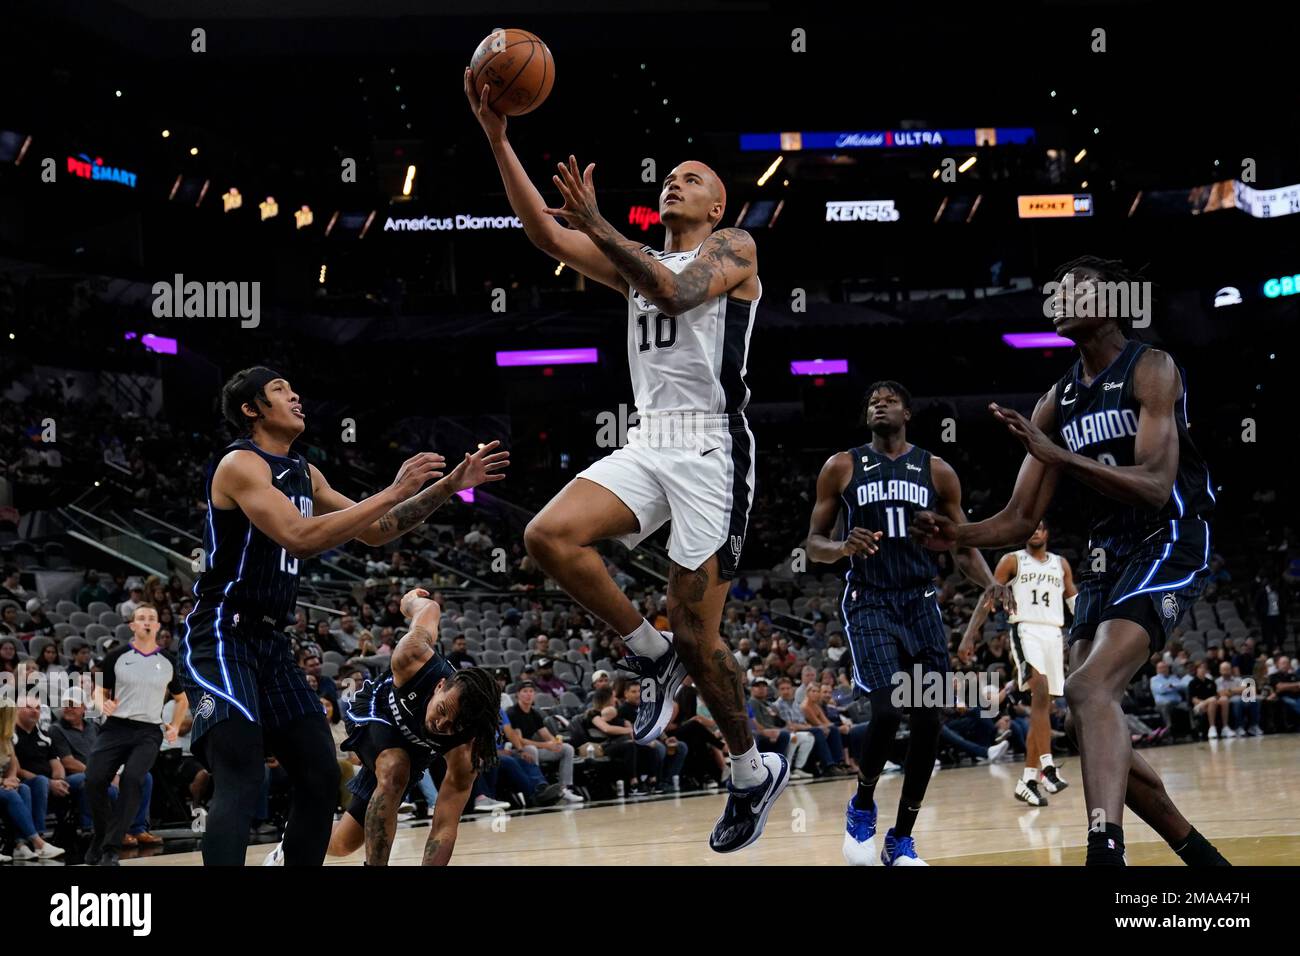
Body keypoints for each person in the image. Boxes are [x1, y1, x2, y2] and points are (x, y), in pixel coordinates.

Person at [468, 71, 786, 854]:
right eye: (670, 178)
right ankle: (650, 657)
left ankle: (750, 770)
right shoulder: (635, 256)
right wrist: (499, 137)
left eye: (693, 179)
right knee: (548, 536)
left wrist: (603, 225)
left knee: (700, 638)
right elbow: (546, 236)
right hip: (650, 437)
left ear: (717, 207)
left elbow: (676, 297)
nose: (675, 184)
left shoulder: (735, 248)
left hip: (715, 446)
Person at [911, 256, 1229, 866]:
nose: (1058, 299)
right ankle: (1200, 856)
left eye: (1074, 290)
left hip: (1170, 536)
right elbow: (1019, 519)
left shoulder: (1152, 368)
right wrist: (956, 532)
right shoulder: (1055, 400)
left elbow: (1157, 485)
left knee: (1088, 688)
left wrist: (1060, 455)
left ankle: (1104, 848)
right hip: (1109, 553)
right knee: (1088, 713)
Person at [180, 366, 507, 866]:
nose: (295, 397)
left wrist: (450, 486)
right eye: (280, 391)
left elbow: (377, 530)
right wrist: (393, 489)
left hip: (270, 642)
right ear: (251, 409)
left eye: (293, 389)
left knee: (317, 771)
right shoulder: (241, 465)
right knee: (243, 773)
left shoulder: (306, 473)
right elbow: (300, 536)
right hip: (222, 631)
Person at [806, 380, 1005, 866]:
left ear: (907, 413)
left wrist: (990, 584)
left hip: (919, 603)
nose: (879, 404)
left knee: (928, 719)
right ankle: (863, 803)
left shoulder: (937, 471)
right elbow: (813, 543)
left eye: (889, 399)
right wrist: (841, 547)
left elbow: (960, 544)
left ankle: (901, 839)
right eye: (872, 401)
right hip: (870, 601)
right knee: (890, 710)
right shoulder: (841, 466)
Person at [308, 589, 499, 866]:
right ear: (440, 686)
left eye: (454, 724)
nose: (442, 724)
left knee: (342, 844)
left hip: (411, 752)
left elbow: (444, 826)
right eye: (443, 710)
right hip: (376, 711)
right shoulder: (414, 657)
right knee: (396, 767)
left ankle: (297, 834)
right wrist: (410, 602)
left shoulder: (467, 746)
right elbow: (429, 609)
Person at [962, 521, 1077, 807]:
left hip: (1054, 633)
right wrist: (969, 635)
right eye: (1031, 527)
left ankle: (1028, 779)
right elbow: (989, 598)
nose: (1035, 531)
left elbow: (1073, 598)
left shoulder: (1060, 564)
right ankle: (1047, 769)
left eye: (1041, 527)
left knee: (1043, 705)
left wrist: (1094, 625)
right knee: (1039, 690)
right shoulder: (1011, 560)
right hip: (1025, 629)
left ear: (1047, 532)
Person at [84, 603, 189, 865]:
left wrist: (174, 726)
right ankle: (102, 834)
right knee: (94, 779)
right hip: (116, 727)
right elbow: (98, 689)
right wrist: (101, 704)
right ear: (131, 625)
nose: (146, 621)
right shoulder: (117, 656)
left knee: (133, 779)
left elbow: (182, 699)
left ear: (157, 626)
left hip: (148, 732)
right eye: (141, 617)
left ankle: (110, 848)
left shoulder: (167, 660)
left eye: (151, 618)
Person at [0, 701, 64, 861]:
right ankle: (38, 843)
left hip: (4, 783)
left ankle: (20, 845)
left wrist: (12, 778)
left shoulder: (5, 737)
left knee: (24, 789)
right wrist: (3, 781)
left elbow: (13, 763)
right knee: (11, 795)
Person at [507, 682, 584, 803]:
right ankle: (538, 790)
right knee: (531, 750)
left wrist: (555, 743)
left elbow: (546, 735)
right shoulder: (512, 712)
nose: (528, 694)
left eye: (531, 691)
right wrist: (546, 745)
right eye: (525, 691)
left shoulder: (534, 713)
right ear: (518, 694)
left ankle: (564, 789)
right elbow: (519, 740)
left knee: (567, 748)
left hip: (533, 749)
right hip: (516, 751)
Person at [1216, 662, 1261, 736]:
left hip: (1241, 698)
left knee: (1254, 699)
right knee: (1237, 701)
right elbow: (1222, 693)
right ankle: (1238, 727)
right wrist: (1237, 690)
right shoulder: (1218, 681)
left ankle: (1253, 726)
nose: (1226, 671)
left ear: (1231, 670)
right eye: (1224, 669)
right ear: (1220, 671)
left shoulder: (1237, 679)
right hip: (1226, 701)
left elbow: (1246, 689)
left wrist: (1230, 690)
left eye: (1228, 669)